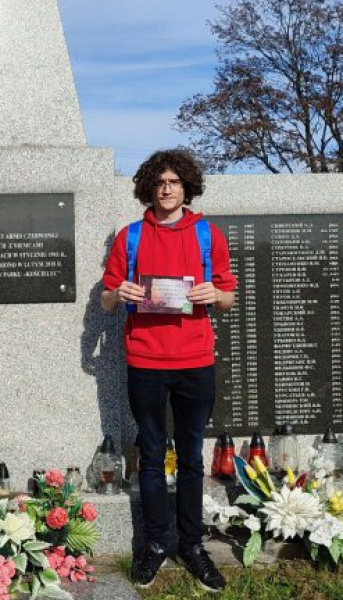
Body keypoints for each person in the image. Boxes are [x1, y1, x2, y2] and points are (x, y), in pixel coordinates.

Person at [100, 149, 237, 592]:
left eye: (174, 181)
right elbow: (106, 299)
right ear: (148, 187)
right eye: (159, 182)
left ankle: (192, 546)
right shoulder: (130, 237)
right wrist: (117, 293)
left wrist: (212, 294)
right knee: (153, 457)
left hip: (195, 361)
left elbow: (230, 298)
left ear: (187, 186)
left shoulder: (207, 235)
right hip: (145, 361)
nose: (166, 188)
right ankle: (157, 545)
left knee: (193, 457)